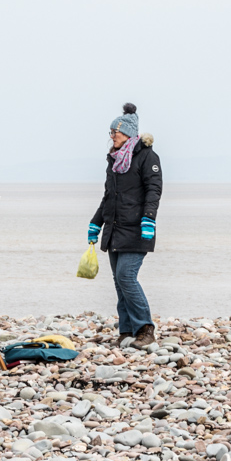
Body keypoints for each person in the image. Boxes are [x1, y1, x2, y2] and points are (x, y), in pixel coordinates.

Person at [89, 102, 163, 348]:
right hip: (114, 229)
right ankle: (127, 329)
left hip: (137, 228)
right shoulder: (114, 160)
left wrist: (149, 218)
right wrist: (95, 223)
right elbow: (109, 196)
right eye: (111, 133)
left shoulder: (147, 157)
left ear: (129, 134)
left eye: (116, 133)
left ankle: (145, 328)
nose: (112, 137)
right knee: (118, 281)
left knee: (126, 277)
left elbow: (154, 189)